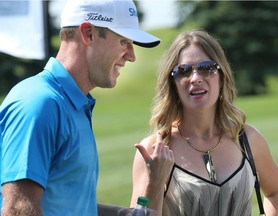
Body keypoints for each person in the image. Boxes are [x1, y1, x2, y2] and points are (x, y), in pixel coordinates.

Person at [0, 0, 160, 215]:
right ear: (89, 33)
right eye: (124, 41)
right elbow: (19, 209)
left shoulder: (71, 103)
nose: (131, 56)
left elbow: (67, 204)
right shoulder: (39, 103)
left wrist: (122, 214)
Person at [130, 29, 278, 215]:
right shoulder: (155, 149)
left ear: (221, 77)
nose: (195, 78)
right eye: (183, 71)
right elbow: (139, 212)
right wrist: (154, 184)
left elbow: (277, 193)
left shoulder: (248, 140)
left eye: (207, 68)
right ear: (173, 83)